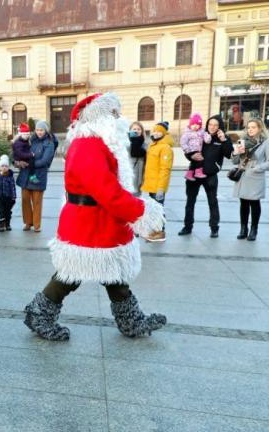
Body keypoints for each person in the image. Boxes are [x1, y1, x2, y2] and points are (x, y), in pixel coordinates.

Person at [23, 93, 167, 341]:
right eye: (113, 113)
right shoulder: (88, 145)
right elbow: (107, 192)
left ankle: (131, 320)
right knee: (71, 274)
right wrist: (142, 212)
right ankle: (39, 313)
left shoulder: (99, 142)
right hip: (88, 223)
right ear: (98, 116)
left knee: (113, 275)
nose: (118, 118)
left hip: (100, 221)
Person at [178, 115, 233, 238]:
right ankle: (187, 226)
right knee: (190, 201)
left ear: (220, 126)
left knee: (212, 202)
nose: (212, 127)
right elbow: (189, 149)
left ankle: (214, 228)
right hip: (194, 173)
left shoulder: (222, 138)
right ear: (207, 125)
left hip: (210, 175)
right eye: (210, 124)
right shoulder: (200, 134)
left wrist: (223, 140)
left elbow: (229, 154)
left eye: (215, 125)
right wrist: (190, 157)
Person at [231, 118, 269, 241]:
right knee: (243, 204)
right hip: (243, 175)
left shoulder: (265, 142)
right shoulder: (242, 141)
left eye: (253, 127)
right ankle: (243, 228)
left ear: (260, 128)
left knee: (254, 203)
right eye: (249, 127)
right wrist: (236, 153)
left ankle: (254, 229)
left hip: (256, 176)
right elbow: (234, 161)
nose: (250, 129)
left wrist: (259, 167)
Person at [16, 120, 57, 232]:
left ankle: (37, 224)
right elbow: (19, 150)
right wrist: (18, 161)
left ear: (45, 130)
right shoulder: (30, 139)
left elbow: (45, 160)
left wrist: (31, 164)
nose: (39, 132)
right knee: (25, 199)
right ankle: (28, 222)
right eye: (38, 130)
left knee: (37, 200)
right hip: (26, 174)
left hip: (38, 175)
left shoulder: (49, 143)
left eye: (41, 130)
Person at [140, 122, 174, 242]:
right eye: (154, 131)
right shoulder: (153, 145)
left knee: (159, 209)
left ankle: (160, 232)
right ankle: (154, 230)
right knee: (154, 209)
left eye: (159, 131)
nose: (156, 133)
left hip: (158, 186)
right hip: (151, 185)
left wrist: (161, 188)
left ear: (164, 133)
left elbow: (165, 169)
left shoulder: (165, 148)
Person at [180, 113, 211, 181]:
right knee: (200, 160)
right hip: (190, 150)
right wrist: (187, 149)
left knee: (194, 163)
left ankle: (189, 174)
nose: (195, 126)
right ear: (190, 124)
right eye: (193, 124)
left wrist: (208, 138)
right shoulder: (187, 133)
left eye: (197, 125)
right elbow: (183, 142)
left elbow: (206, 136)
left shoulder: (202, 131)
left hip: (197, 150)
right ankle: (198, 172)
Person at [0, 154, 16, 232]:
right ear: (0, 167)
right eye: (2, 166)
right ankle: (1, 225)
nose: (4, 167)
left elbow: (13, 187)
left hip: (8, 197)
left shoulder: (10, 176)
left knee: (8, 212)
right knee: (1, 212)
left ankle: (7, 224)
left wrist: (14, 196)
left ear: (8, 167)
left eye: (6, 166)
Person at [128, 121, 147, 196]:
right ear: (130, 130)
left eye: (139, 129)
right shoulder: (127, 143)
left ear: (142, 131)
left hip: (141, 175)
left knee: (138, 196)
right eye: (134, 129)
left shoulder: (144, 144)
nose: (136, 131)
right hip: (130, 175)